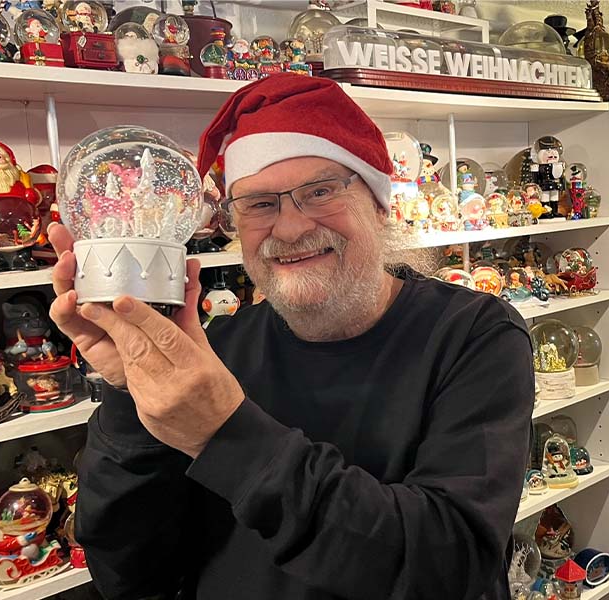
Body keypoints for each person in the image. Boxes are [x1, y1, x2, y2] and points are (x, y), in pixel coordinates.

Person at [51, 74, 534, 599]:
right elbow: (130, 574)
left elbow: (449, 567)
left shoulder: (472, 336)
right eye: (259, 204)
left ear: (380, 204)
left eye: (320, 192)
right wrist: (132, 390)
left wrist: (226, 435)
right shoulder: (217, 351)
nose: (290, 228)